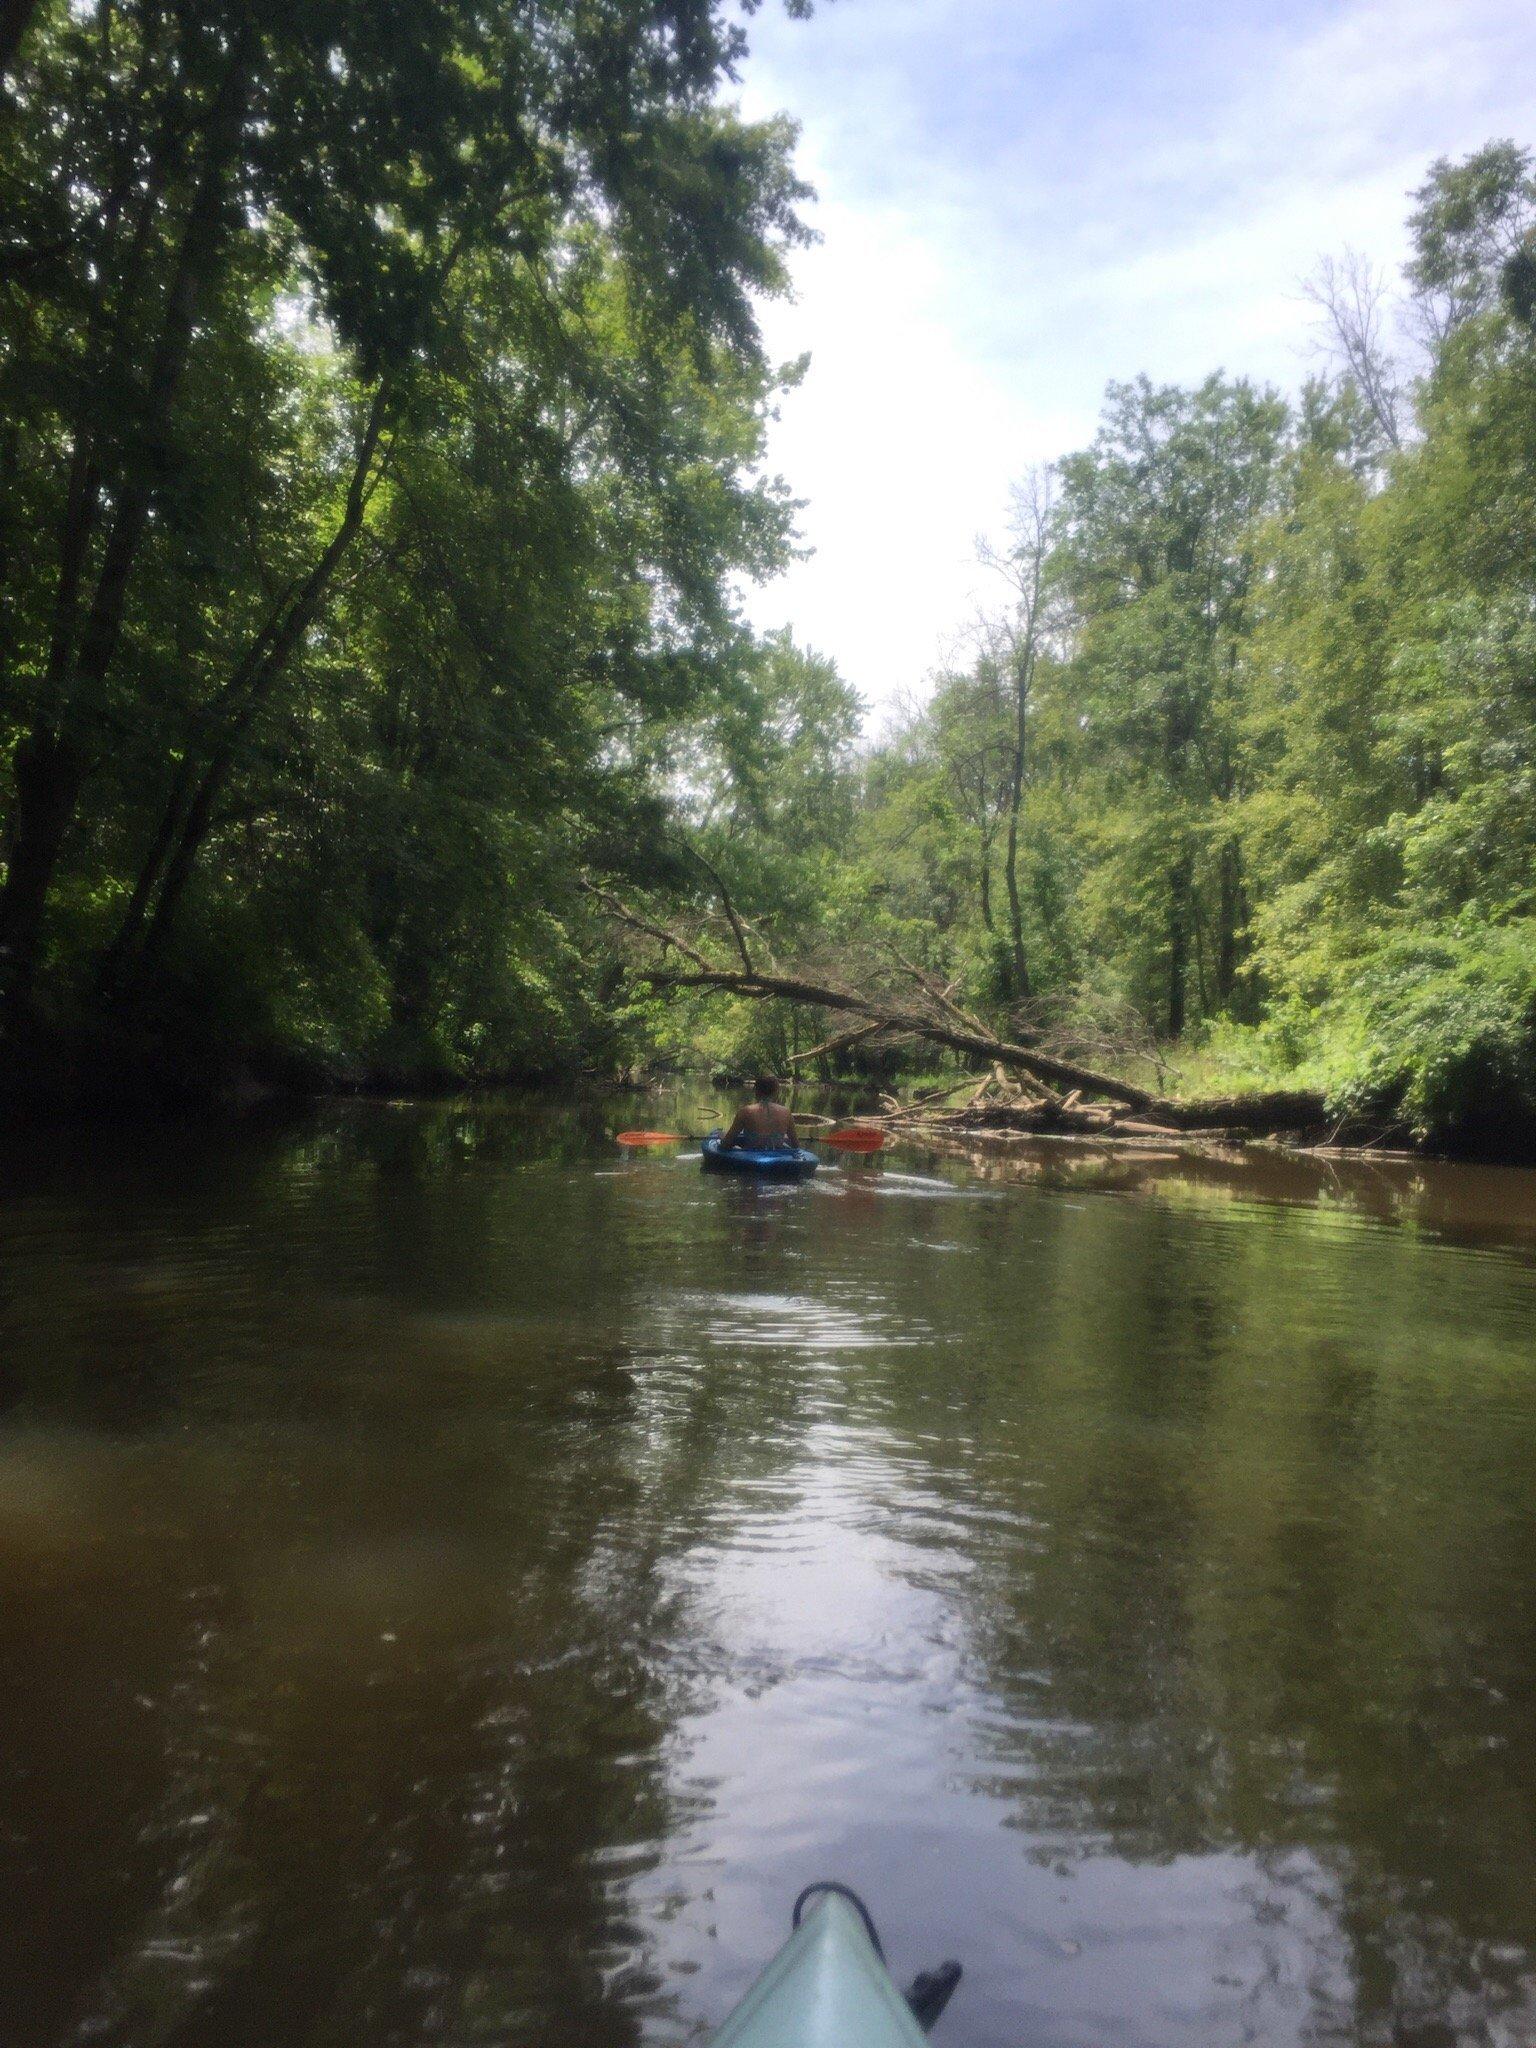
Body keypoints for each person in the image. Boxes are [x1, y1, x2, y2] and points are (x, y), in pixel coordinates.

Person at [721, 1074, 799, 1152]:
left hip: (750, 1159)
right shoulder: (786, 1113)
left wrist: (721, 1139)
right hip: (778, 1158)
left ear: (756, 1091)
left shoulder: (745, 1111)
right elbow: (795, 1145)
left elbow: (726, 1143)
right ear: (776, 1092)